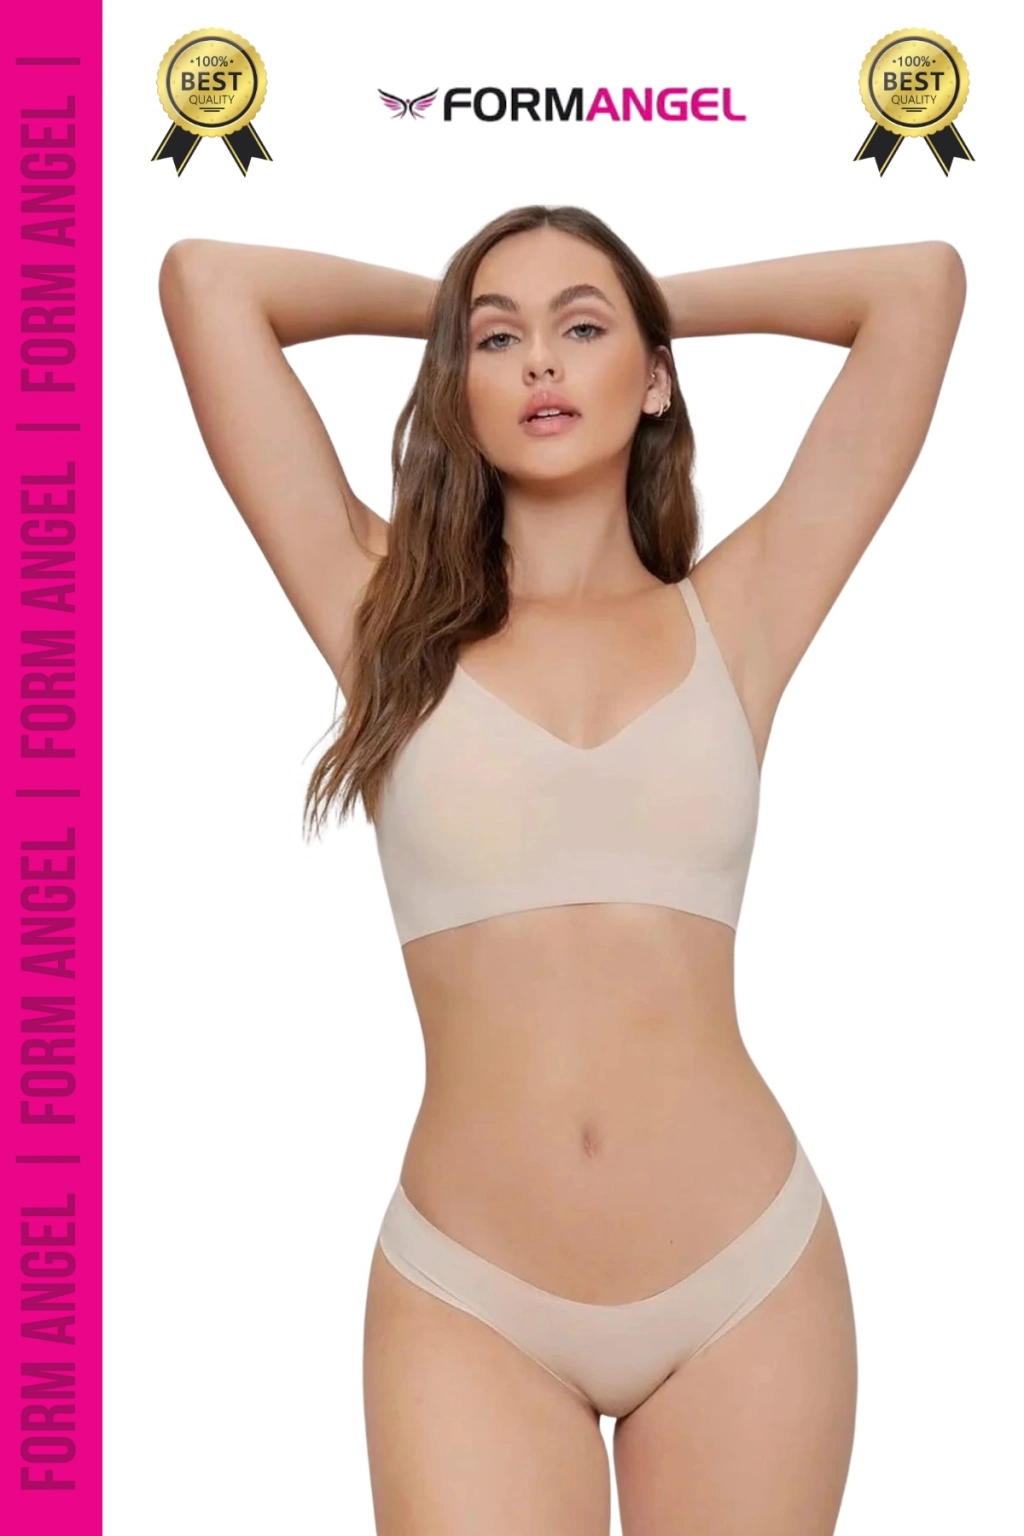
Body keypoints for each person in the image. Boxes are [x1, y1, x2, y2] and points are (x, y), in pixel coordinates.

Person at [158, 205, 966, 1536]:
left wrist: (645, 310)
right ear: (456, 384)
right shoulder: (382, 616)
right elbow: (208, 283)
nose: (538, 361)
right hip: (471, 1295)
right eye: (497, 340)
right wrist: (458, 312)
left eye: (579, 330)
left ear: (654, 381)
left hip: (744, 1280)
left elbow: (919, 288)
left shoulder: (741, 614)